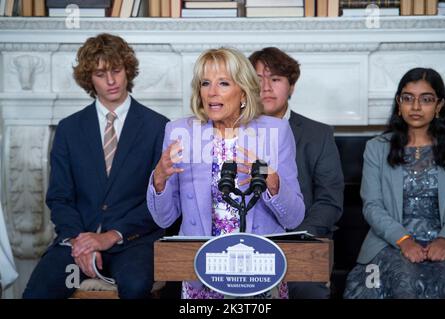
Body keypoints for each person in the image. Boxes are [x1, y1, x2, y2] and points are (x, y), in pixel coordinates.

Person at [147, 47, 305, 299]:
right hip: (202, 269)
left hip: (259, 270)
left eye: (223, 83)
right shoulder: (180, 131)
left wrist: (273, 182)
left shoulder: (275, 132)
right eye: (205, 83)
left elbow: (294, 218)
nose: (211, 92)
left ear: (242, 91)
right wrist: (159, 178)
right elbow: (164, 220)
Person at [23, 33, 169, 299]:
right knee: (36, 294)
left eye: (116, 70)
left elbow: (161, 201)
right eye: (101, 74)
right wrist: (82, 241)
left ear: (128, 70)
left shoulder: (159, 127)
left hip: (133, 242)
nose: (111, 81)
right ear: (89, 78)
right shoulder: (69, 129)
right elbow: (59, 197)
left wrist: (112, 235)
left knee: (136, 287)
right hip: (76, 242)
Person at [344, 67, 445, 299]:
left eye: (426, 99)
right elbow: (372, 205)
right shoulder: (377, 147)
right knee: (405, 282)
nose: (416, 107)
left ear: (439, 105)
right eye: (408, 98)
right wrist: (404, 241)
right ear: (398, 103)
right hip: (390, 242)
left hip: (443, 242)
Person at [249, 47, 344, 299]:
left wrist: (297, 238)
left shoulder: (318, 135)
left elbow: (329, 201)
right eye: (258, 79)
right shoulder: (233, 131)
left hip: (301, 242)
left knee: (306, 291)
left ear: (291, 86)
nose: (266, 87)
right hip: (245, 245)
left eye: (276, 79)